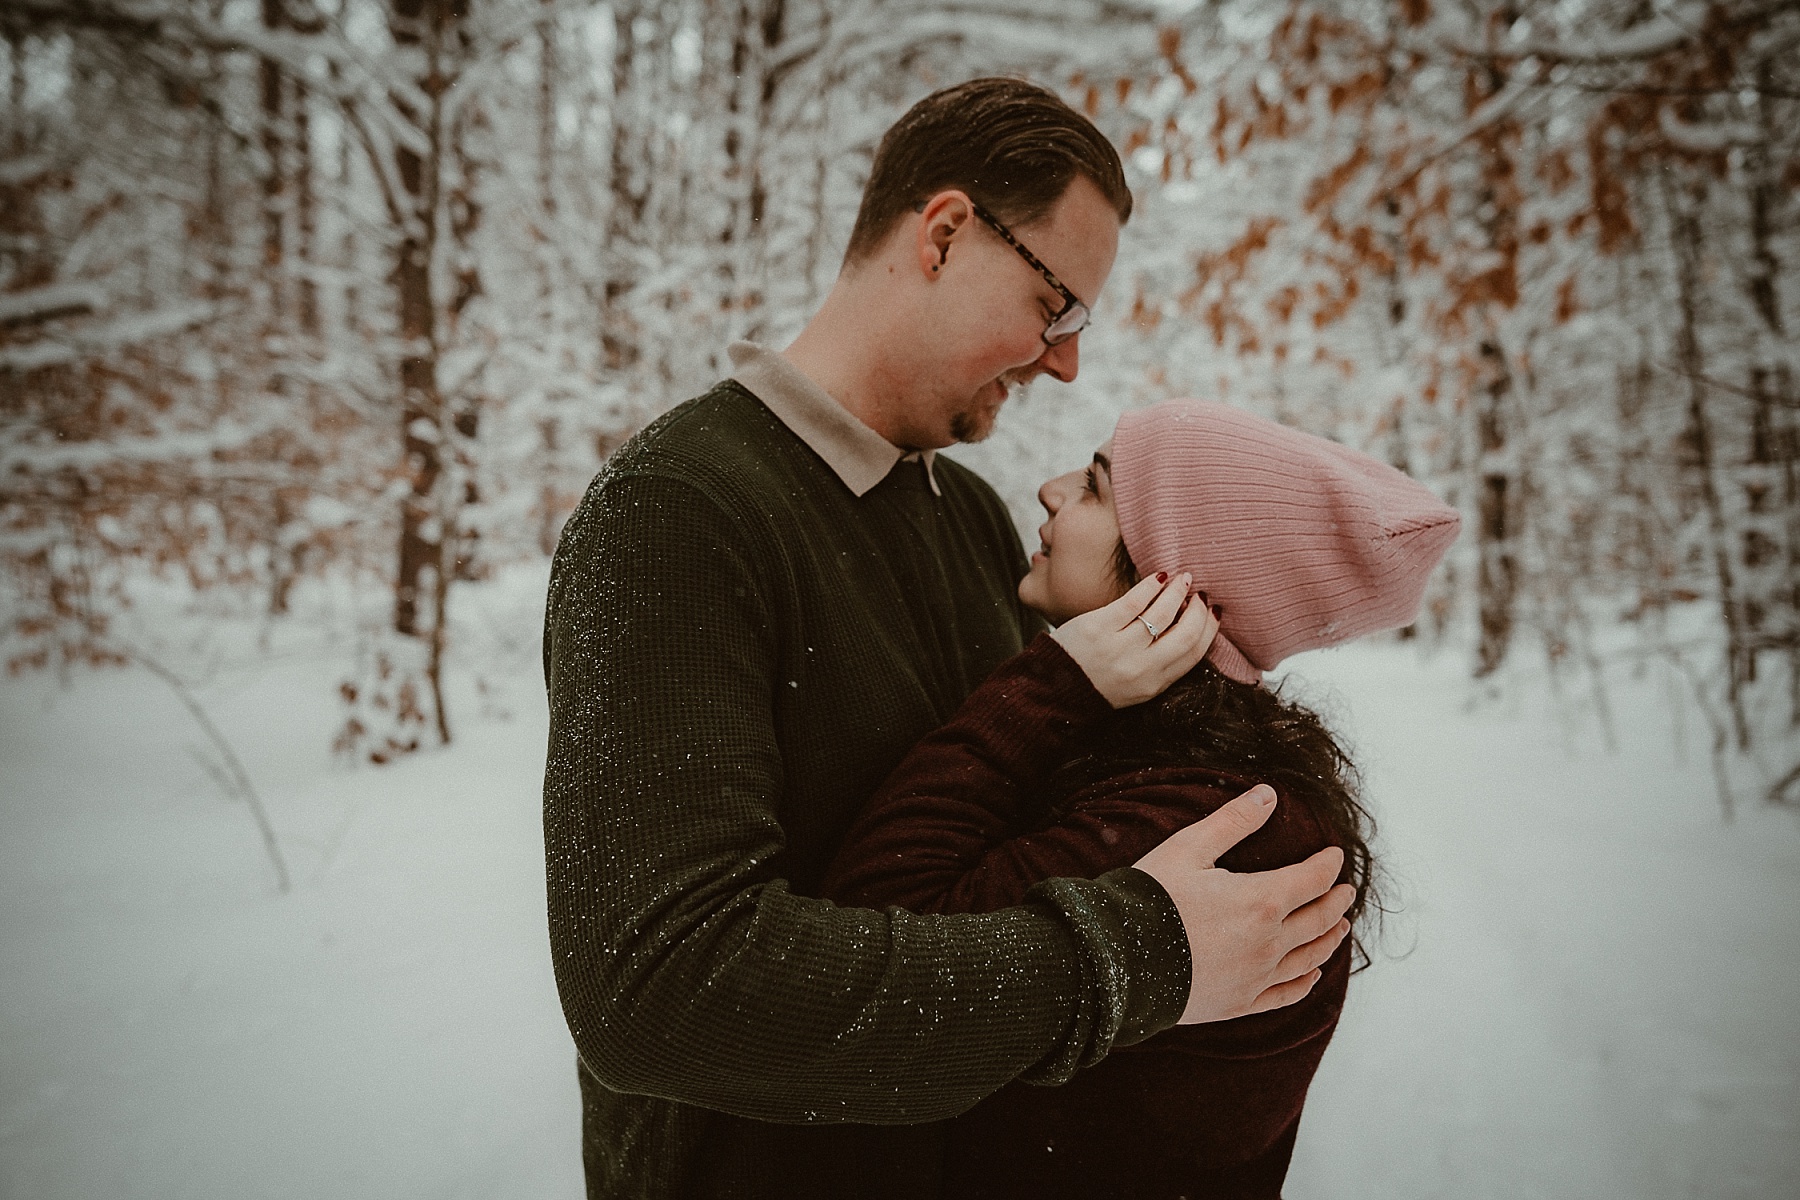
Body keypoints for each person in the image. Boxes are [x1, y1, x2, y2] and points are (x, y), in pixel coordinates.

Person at [542, 79, 1354, 1200]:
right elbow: (657, 988)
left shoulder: (971, 519)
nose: (1065, 360)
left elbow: (1003, 846)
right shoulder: (679, 510)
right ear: (944, 236)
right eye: (1055, 305)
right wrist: (1138, 957)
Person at [821, 399, 1462, 1198]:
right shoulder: (1176, 762)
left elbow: (868, 953)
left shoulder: (1215, 823)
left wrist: (1048, 684)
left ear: (1179, 577)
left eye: (1093, 487)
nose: (1050, 490)